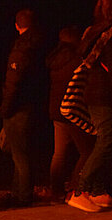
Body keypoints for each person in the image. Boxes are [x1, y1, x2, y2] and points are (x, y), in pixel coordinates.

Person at [67, 0, 112, 212]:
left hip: (97, 93)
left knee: (105, 140)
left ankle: (97, 190)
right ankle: (80, 190)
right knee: (107, 139)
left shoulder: (96, 31)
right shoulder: (107, 33)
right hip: (103, 93)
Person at [0, 9, 46, 206]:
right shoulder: (41, 44)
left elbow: (13, 82)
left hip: (19, 107)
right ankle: (18, 193)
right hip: (34, 103)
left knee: (19, 154)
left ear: (17, 25)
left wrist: (5, 108)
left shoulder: (22, 48)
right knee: (24, 151)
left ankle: (22, 197)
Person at [46, 26, 95, 202]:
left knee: (59, 153)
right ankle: (75, 188)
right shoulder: (76, 58)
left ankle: (56, 190)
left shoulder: (55, 58)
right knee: (87, 150)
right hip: (72, 109)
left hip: (56, 110)